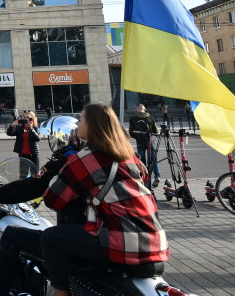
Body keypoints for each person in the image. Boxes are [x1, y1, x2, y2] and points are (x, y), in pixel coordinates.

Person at [42, 104, 168, 296]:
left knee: (50, 238)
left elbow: (52, 199)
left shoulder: (85, 159)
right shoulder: (129, 156)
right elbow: (144, 178)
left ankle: (61, 293)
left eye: (82, 119)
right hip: (156, 243)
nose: (78, 124)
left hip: (125, 244)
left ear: (92, 125)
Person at [0, 129, 85, 296]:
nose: (73, 131)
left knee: (11, 235)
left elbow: (34, 188)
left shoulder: (74, 160)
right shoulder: (123, 158)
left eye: (79, 126)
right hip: (111, 236)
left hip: (82, 238)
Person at [128, 103, 160, 188]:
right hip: (150, 141)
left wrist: (136, 137)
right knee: (153, 159)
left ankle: (145, 178)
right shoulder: (150, 117)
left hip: (140, 141)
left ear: (137, 109)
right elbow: (156, 131)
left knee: (142, 161)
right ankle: (157, 176)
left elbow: (131, 132)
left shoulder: (133, 119)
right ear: (145, 109)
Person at [6, 109, 40, 174]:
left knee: (35, 173)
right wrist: (12, 126)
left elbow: (37, 139)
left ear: (32, 119)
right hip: (23, 154)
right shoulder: (20, 127)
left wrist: (31, 129)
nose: (26, 119)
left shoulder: (34, 128)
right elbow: (9, 133)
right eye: (24, 117)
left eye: (28, 118)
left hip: (33, 153)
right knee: (23, 174)